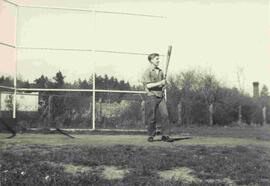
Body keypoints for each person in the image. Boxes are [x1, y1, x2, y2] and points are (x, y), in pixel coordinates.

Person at [142, 53, 173, 142]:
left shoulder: (160, 71)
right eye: (156, 59)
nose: (158, 60)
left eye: (158, 59)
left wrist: (164, 85)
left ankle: (165, 135)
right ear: (151, 60)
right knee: (152, 117)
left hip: (160, 96)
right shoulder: (147, 72)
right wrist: (160, 83)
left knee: (165, 115)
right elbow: (148, 86)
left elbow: (163, 84)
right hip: (151, 96)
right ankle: (151, 135)